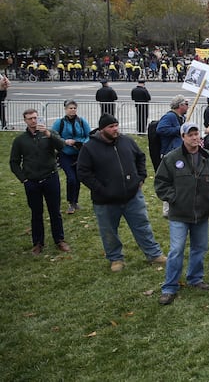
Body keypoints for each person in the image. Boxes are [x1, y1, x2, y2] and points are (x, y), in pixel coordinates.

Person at [77, 113, 166, 272]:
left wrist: (141, 177)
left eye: (116, 125)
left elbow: (140, 157)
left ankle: (154, 254)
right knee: (109, 231)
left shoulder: (127, 141)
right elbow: (83, 172)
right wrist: (101, 189)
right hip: (106, 201)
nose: (115, 129)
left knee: (142, 226)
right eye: (111, 127)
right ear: (102, 129)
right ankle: (116, 258)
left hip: (132, 196)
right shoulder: (89, 147)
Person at [154, 122, 209, 305]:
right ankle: (169, 287)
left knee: (200, 248)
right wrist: (175, 198)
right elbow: (160, 184)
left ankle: (195, 278)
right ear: (183, 137)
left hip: (202, 214)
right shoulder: (171, 159)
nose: (195, 138)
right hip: (179, 214)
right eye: (191, 135)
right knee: (176, 250)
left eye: (197, 134)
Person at [10, 108, 70, 255]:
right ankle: (38, 242)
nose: (33, 121)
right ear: (25, 120)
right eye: (30, 118)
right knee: (36, 213)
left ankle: (59, 240)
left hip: (50, 178)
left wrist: (50, 135)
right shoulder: (20, 140)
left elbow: (62, 146)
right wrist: (23, 179)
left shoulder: (48, 134)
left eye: (35, 117)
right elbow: (14, 162)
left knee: (55, 211)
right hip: (32, 181)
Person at [53, 100, 91, 214]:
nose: (73, 110)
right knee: (71, 178)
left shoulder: (81, 121)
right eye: (70, 108)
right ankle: (70, 202)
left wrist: (81, 143)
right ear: (65, 109)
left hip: (79, 154)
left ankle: (75, 201)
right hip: (65, 154)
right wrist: (65, 142)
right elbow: (53, 137)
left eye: (74, 108)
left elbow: (89, 135)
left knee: (77, 178)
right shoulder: (60, 122)